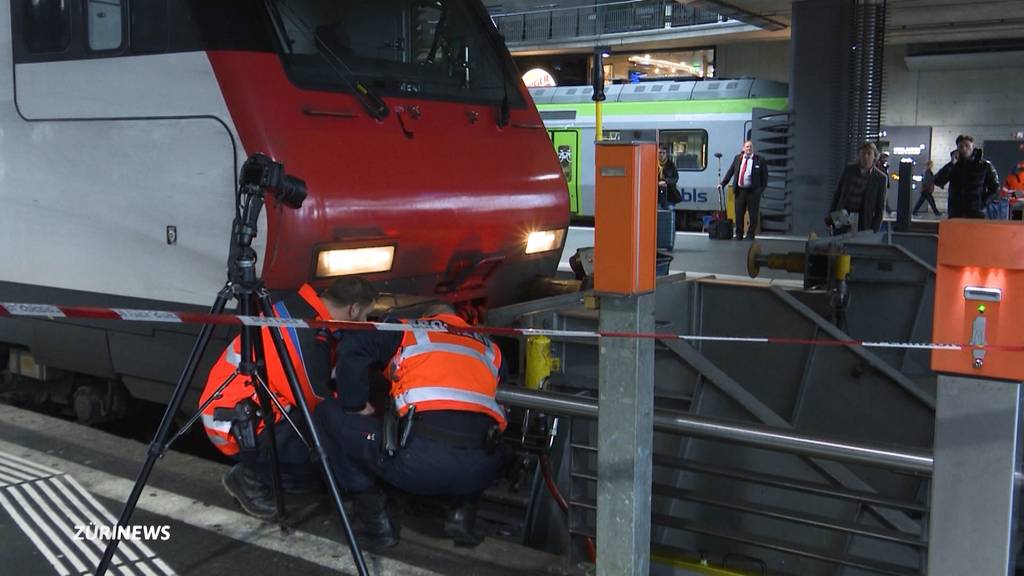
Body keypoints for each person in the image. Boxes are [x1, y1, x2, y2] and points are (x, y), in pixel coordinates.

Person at [315, 302, 506, 550]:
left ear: (427, 316)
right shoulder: (491, 347)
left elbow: (352, 349)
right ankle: (462, 518)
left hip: (418, 466)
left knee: (326, 413)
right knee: (473, 428)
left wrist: (356, 405)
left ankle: (375, 523)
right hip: (481, 471)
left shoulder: (409, 329)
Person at [200, 278, 377, 520]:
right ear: (353, 309)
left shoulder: (301, 311)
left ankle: (265, 470)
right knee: (324, 452)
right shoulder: (303, 333)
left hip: (244, 410)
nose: (365, 323)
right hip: (237, 425)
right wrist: (356, 407)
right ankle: (250, 478)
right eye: (366, 315)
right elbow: (314, 399)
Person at [934, 134, 1000, 219]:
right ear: (957, 148)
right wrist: (951, 164)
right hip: (956, 212)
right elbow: (938, 181)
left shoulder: (985, 166)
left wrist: (983, 202)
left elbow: (995, 188)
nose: (964, 149)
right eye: (961, 146)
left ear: (973, 147)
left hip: (977, 213)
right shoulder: (953, 166)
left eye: (967, 146)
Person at [827, 141, 888, 233]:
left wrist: (874, 230)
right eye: (863, 153)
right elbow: (838, 194)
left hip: (863, 219)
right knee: (839, 242)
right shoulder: (849, 170)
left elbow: (880, 208)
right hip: (843, 214)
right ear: (859, 155)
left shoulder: (880, 178)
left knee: (858, 244)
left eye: (869, 153)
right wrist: (830, 218)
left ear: (874, 156)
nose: (865, 157)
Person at [718, 140, 767, 240]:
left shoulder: (760, 160)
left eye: (750, 147)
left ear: (753, 149)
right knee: (739, 213)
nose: (749, 148)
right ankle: (739, 234)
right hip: (740, 191)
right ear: (743, 148)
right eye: (747, 147)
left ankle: (750, 234)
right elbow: (730, 172)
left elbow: (765, 178)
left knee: (753, 214)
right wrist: (722, 184)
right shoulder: (738, 158)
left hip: (753, 192)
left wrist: (760, 191)